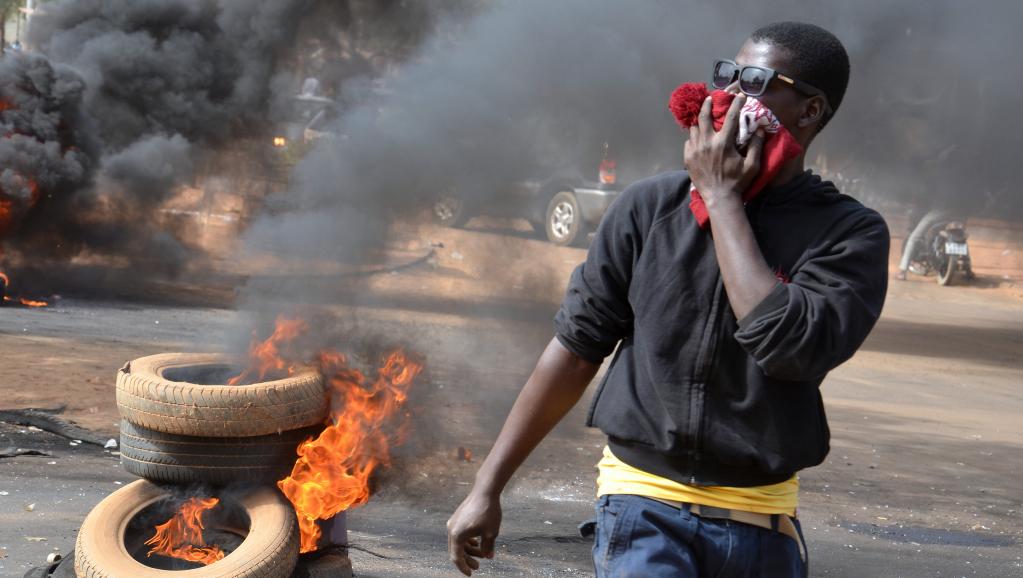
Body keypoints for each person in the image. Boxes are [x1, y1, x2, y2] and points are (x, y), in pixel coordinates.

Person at [447, 21, 889, 578]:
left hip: (761, 524)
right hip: (640, 509)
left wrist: (722, 200)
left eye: (754, 80)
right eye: (726, 74)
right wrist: (487, 487)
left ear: (810, 111)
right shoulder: (649, 207)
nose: (729, 96)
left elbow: (787, 347)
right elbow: (577, 348)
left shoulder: (849, 233)